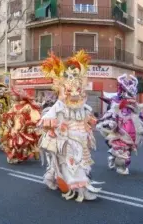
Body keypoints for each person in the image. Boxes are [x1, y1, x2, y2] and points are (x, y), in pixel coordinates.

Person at [38, 50, 102, 202]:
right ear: (62, 90)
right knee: (70, 163)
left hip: (81, 140)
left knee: (79, 162)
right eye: (70, 90)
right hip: (65, 140)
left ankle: (52, 177)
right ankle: (79, 187)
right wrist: (49, 122)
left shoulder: (83, 107)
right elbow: (46, 118)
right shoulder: (59, 106)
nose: (74, 93)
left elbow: (87, 119)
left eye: (77, 90)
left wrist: (90, 121)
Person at [97, 74, 143, 175]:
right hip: (120, 127)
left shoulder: (134, 103)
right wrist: (110, 121)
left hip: (133, 128)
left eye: (132, 93)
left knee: (129, 147)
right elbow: (112, 112)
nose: (131, 95)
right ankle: (120, 164)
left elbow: (139, 113)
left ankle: (113, 157)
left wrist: (141, 117)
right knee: (120, 147)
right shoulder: (116, 101)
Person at [2, 88, 41, 164]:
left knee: (24, 142)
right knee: (13, 141)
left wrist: (30, 124)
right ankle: (14, 156)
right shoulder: (14, 106)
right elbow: (9, 114)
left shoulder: (27, 106)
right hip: (15, 126)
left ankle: (21, 155)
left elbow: (34, 116)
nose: (13, 96)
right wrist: (9, 119)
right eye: (13, 95)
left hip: (24, 126)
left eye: (14, 95)